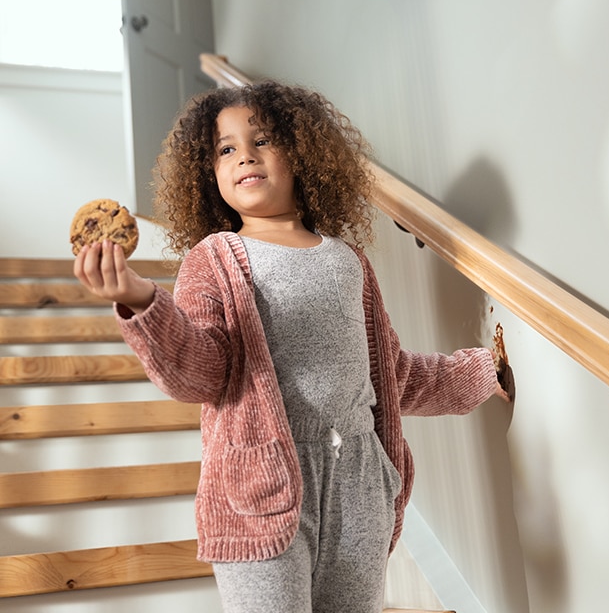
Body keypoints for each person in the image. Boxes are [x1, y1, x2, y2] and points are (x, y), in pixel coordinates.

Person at [74, 81, 514, 613]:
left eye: (263, 140)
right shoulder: (213, 260)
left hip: (360, 484)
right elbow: (201, 372)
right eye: (226, 149)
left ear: (302, 152)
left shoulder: (348, 261)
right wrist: (142, 300)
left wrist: (482, 373)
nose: (246, 157)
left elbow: (392, 376)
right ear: (209, 175)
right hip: (258, 488)